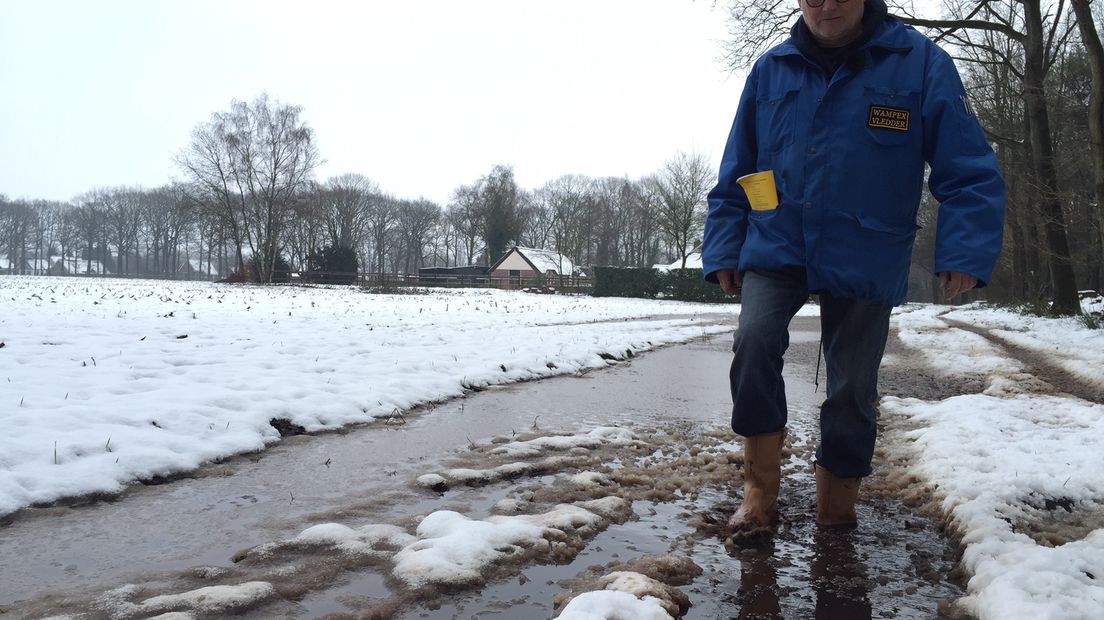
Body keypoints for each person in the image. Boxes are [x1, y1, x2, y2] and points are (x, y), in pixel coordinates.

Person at [702, 0, 1004, 533]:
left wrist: (962, 252)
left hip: (867, 246)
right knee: (752, 343)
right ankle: (757, 494)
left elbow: (968, 168)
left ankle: (837, 508)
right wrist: (724, 246)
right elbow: (737, 167)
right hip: (777, 242)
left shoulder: (920, 63)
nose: (826, 5)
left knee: (852, 384)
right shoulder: (772, 69)